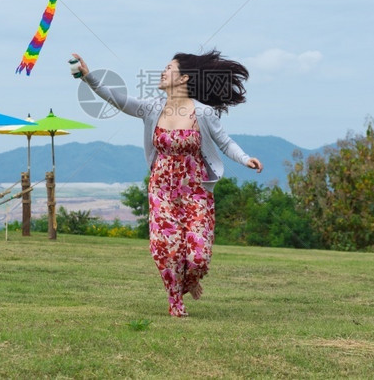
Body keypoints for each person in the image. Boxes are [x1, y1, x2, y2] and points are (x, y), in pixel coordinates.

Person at [72, 49, 263, 317]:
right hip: (161, 191)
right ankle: (175, 302)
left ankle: (193, 279)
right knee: (166, 250)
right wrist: (88, 77)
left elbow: (224, 142)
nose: (162, 72)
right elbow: (117, 99)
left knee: (198, 256)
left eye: (168, 67)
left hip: (196, 192)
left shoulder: (204, 113)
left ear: (184, 78)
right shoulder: (152, 108)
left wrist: (245, 159)